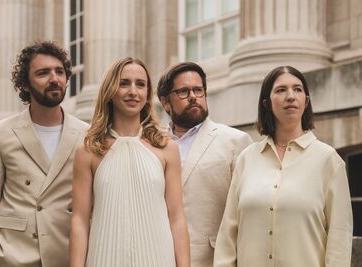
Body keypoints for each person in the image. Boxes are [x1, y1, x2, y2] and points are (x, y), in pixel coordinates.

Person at [214, 65, 353, 267]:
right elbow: (228, 232)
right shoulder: (247, 159)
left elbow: (339, 236)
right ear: (266, 103)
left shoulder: (328, 160)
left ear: (306, 101)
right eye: (281, 90)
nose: (291, 96)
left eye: (297, 89)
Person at [0, 41, 89, 267]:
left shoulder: (87, 135)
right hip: (12, 257)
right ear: (25, 84)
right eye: (43, 73)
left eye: (59, 71)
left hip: (67, 255)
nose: (54, 78)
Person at [69, 57, 190, 267]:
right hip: (104, 258)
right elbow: (80, 220)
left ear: (147, 93)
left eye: (140, 84)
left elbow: (177, 218)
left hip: (158, 258)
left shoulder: (167, 149)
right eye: (124, 83)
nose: (133, 91)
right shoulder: (88, 151)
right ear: (110, 90)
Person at [157, 62, 252, 267]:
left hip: (214, 260)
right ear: (165, 102)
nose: (193, 96)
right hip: (157, 256)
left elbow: (248, 213)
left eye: (198, 90)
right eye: (183, 91)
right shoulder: (151, 144)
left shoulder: (236, 141)